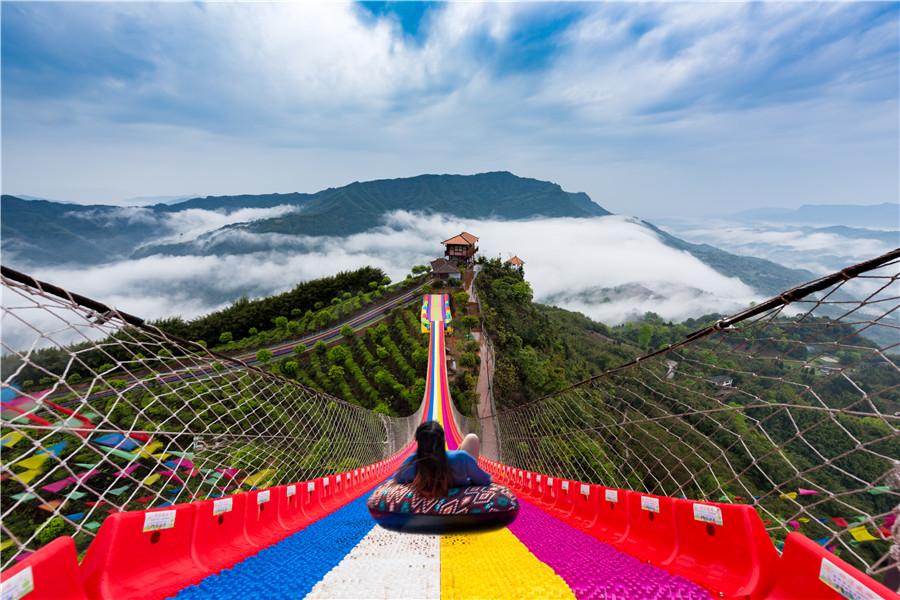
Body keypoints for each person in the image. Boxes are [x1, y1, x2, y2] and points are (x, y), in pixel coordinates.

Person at [394, 421, 491, 498]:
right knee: (471, 439)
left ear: (419, 443)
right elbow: (484, 480)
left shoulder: (412, 463)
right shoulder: (462, 458)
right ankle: (456, 449)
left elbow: (397, 479)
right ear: (444, 441)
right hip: (455, 464)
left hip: (442, 463)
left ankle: (434, 447)